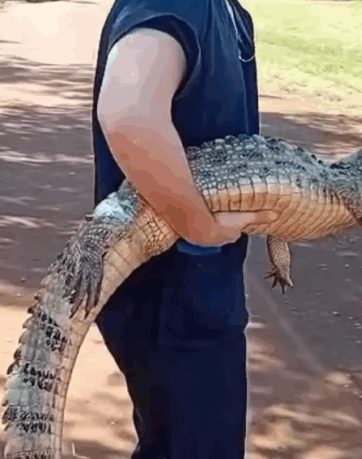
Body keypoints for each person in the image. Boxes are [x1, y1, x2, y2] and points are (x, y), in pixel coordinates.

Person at [90, 0, 278, 457]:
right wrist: (201, 228)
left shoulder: (228, 12)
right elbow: (129, 114)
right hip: (173, 294)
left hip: (189, 291)